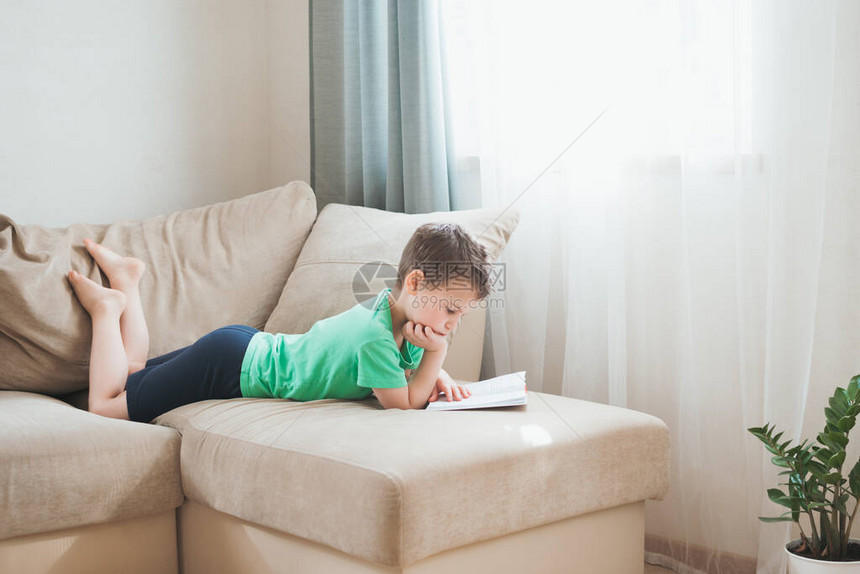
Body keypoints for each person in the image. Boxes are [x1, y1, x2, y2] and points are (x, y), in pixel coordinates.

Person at [66, 222, 491, 422]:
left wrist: (438, 368)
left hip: (242, 348)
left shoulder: (393, 313)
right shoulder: (375, 337)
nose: (452, 324)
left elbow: (410, 372)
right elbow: (405, 403)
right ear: (415, 283)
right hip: (230, 366)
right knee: (105, 406)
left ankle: (128, 280)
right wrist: (440, 353)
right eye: (451, 310)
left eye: (460, 315)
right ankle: (106, 310)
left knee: (134, 375)